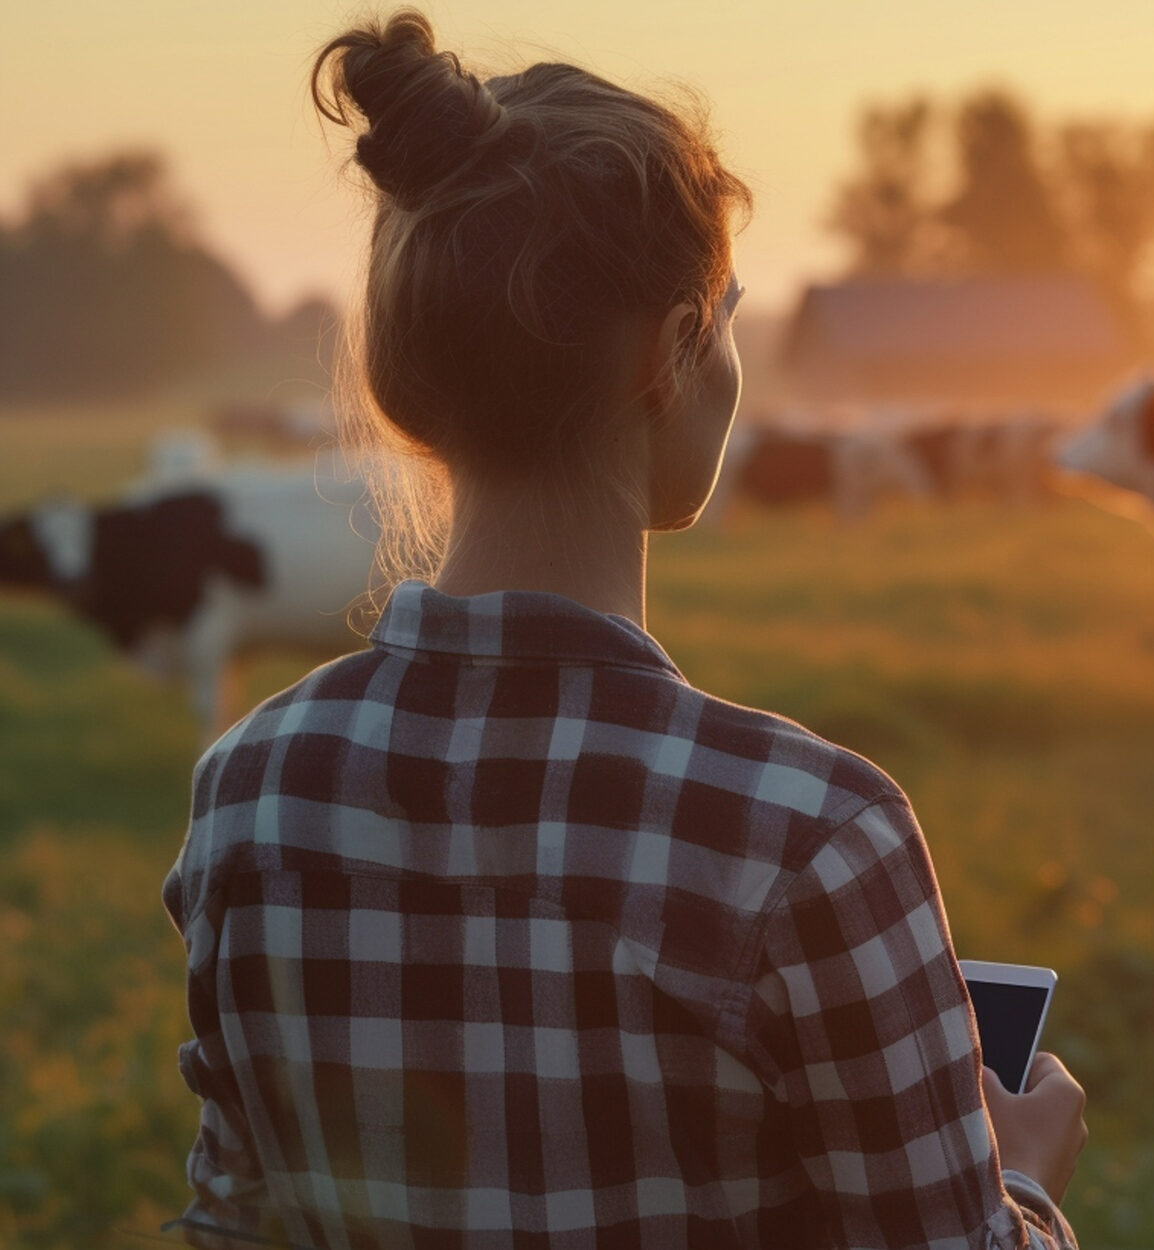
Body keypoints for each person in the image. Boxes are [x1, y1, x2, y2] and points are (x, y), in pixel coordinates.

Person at [160, 10, 1088, 1247]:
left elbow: (233, 1226)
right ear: (671, 351)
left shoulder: (249, 795)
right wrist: (1017, 1184)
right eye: (730, 313)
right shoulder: (813, 833)